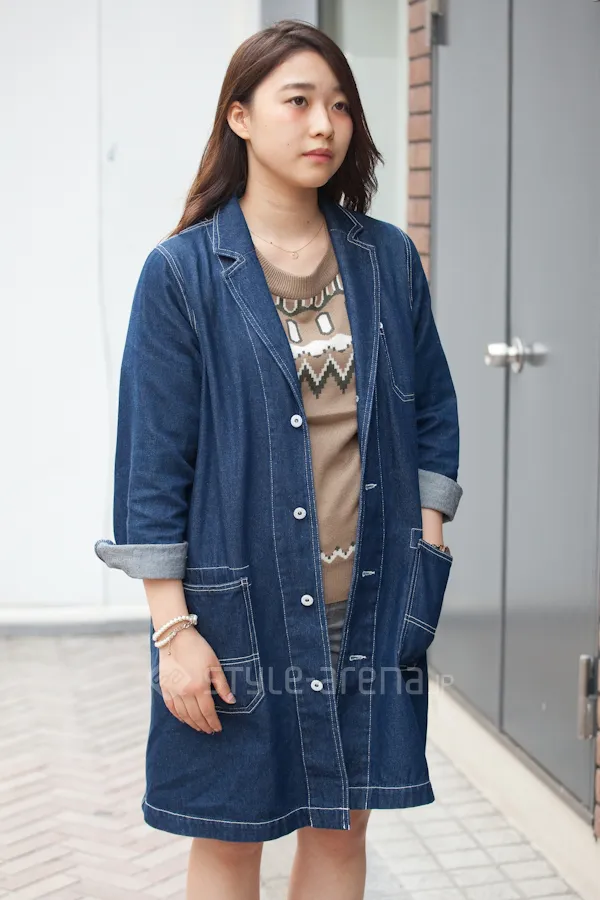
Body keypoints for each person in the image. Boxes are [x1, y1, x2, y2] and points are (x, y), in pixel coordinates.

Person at [94, 18, 463, 900]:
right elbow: (153, 468)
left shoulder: (386, 260)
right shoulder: (183, 274)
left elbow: (434, 411)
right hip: (239, 617)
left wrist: (427, 543)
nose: (323, 124)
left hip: (370, 606)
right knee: (230, 837)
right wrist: (174, 632)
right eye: (297, 101)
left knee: (343, 828)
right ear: (241, 117)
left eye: (339, 105)